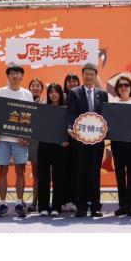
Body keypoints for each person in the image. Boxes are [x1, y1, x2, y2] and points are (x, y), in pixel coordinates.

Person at [66, 63, 109, 217]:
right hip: (79, 139)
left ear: (95, 76)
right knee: (81, 173)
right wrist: (69, 127)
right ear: (82, 75)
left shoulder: (102, 94)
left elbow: (106, 115)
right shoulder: (74, 93)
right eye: (87, 74)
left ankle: (95, 207)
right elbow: (71, 113)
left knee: (95, 173)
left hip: (97, 140)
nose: (89, 77)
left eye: (92, 74)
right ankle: (82, 207)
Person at [0, 64, 35, 218]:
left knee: (20, 171)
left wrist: (27, 137)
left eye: (18, 73)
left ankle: (19, 203)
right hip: (2, 139)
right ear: (8, 76)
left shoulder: (27, 94)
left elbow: (31, 117)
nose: (15, 76)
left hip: (20, 140)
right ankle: (3, 204)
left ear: (22, 76)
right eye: (12, 73)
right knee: (3, 170)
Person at [109, 75, 131, 216]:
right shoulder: (113, 103)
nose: (123, 87)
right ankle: (122, 205)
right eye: (120, 85)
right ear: (117, 89)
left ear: (130, 88)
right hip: (117, 142)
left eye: (126, 85)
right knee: (120, 174)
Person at [37, 83, 69, 216]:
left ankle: (56, 207)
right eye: (51, 92)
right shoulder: (43, 108)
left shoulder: (66, 110)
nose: (53, 94)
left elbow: (69, 126)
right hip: (44, 145)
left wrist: (67, 139)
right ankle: (43, 207)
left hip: (60, 147)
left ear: (61, 94)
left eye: (56, 92)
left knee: (58, 177)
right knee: (43, 177)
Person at [61, 72, 81, 212]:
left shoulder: (81, 98)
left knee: (76, 170)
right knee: (64, 171)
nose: (72, 83)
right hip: (63, 140)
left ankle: (75, 200)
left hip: (78, 140)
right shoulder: (60, 97)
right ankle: (64, 200)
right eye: (69, 81)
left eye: (74, 81)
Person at [26, 77, 45, 213]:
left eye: (38, 86)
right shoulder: (23, 101)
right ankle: (21, 202)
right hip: (21, 141)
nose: (35, 88)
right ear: (29, 88)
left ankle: (36, 202)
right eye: (33, 85)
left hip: (38, 142)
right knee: (25, 173)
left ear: (42, 89)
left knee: (39, 174)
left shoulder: (45, 102)